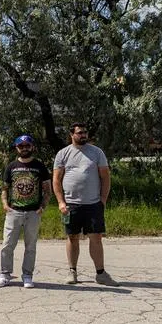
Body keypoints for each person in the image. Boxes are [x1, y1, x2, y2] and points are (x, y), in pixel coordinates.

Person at [53, 123, 117, 286]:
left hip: (93, 204)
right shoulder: (63, 154)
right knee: (72, 237)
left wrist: (103, 199)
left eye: (85, 132)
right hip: (71, 205)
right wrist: (61, 202)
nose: (83, 135)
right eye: (80, 133)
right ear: (71, 135)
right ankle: (72, 272)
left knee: (96, 238)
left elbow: (105, 177)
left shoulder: (97, 152)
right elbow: (56, 180)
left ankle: (101, 274)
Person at [0, 134, 51, 288]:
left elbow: (47, 189)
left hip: (33, 212)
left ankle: (27, 275)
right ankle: (5, 274)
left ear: (32, 147)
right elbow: (5, 189)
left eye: (27, 145)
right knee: (7, 245)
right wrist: (5, 204)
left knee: (30, 246)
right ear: (16, 148)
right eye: (21, 146)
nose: (24, 148)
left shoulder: (39, 166)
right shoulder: (11, 167)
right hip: (14, 211)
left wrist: (43, 207)